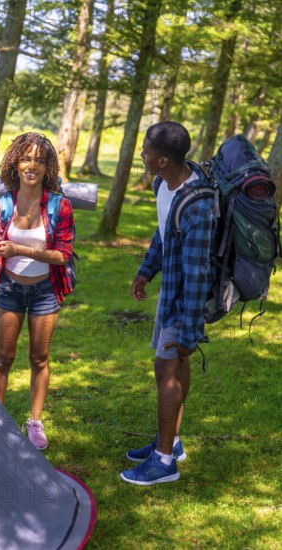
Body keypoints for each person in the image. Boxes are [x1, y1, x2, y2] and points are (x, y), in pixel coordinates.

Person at [0, 132, 74, 450]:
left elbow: (62, 255)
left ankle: (34, 423)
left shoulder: (59, 206)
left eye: (40, 159)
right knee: (2, 359)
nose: (32, 165)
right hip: (9, 289)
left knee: (39, 358)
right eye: (26, 158)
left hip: (44, 292)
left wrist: (20, 249)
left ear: (48, 166)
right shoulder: (3, 205)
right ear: (16, 163)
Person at [120, 121, 218, 485]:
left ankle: (163, 463)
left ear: (162, 160)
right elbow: (163, 232)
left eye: (145, 151)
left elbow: (197, 275)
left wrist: (190, 331)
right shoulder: (162, 183)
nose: (141, 155)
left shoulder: (199, 207)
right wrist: (146, 271)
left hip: (184, 300)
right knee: (174, 366)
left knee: (166, 370)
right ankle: (171, 443)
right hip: (171, 290)